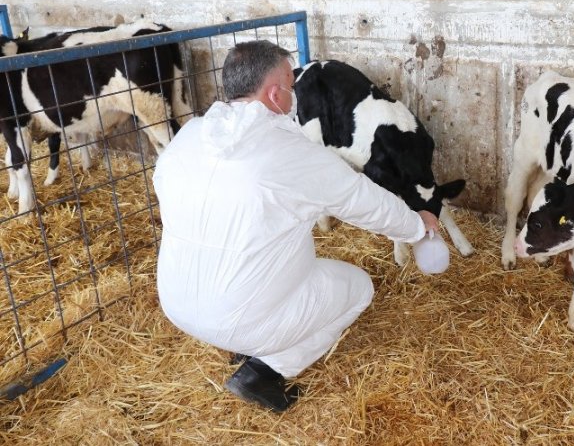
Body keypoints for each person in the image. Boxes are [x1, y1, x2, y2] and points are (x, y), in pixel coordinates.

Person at [152, 40, 439, 413]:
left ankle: (246, 343)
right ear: (274, 94)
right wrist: (417, 226)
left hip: (176, 303)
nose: (295, 93)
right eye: (291, 84)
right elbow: (363, 202)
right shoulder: (290, 154)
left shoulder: (187, 137)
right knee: (358, 288)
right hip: (243, 317)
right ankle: (264, 370)